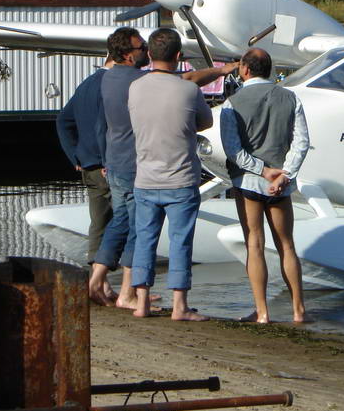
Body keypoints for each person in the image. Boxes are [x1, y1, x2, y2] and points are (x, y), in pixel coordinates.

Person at [88, 27, 236, 308]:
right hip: (157, 170)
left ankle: (118, 288)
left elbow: (103, 122)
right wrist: (220, 71)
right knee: (160, 235)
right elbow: (192, 97)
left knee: (129, 227)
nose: (144, 50)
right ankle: (146, 297)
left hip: (127, 167)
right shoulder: (150, 83)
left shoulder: (115, 81)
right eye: (139, 47)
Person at [220, 47, 310, 323]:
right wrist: (285, 174)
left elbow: (233, 150)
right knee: (287, 245)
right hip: (281, 183)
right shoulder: (290, 98)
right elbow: (301, 142)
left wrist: (262, 170)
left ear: (245, 70)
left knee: (255, 244)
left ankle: (262, 312)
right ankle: (298, 310)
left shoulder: (231, 103)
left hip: (248, 181)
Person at [128, 28, 212, 320]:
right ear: (179, 56)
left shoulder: (135, 87)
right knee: (180, 241)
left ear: (150, 54)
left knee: (144, 239)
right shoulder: (188, 90)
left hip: (145, 178)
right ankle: (180, 306)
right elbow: (205, 121)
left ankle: (141, 303)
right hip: (181, 178)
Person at [56, 54, 116, 299]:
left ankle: (101, 283)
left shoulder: (86, 84)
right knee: (123, 222)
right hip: (106, 165)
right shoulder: (111, 84)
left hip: (88, 165)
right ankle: (114, 286)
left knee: (99, 223)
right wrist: (106, 159)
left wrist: (75, 156)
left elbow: (63, 120)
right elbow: (104, 126)